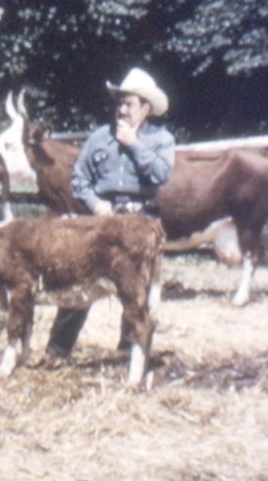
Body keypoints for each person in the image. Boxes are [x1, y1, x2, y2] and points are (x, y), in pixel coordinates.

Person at [46, 67, 176, 357]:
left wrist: (134, 145)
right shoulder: (99, 137)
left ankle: (130, 351)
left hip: (140, 221)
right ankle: (57, 350)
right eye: (120, 103)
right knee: (79, 279)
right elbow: (79, 178)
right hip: (101, 220)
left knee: (136, 289)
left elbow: (161, 174)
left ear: (146, 108)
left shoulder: (161, 140)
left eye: (129, 104)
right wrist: (95, 204)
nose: (122, 109)